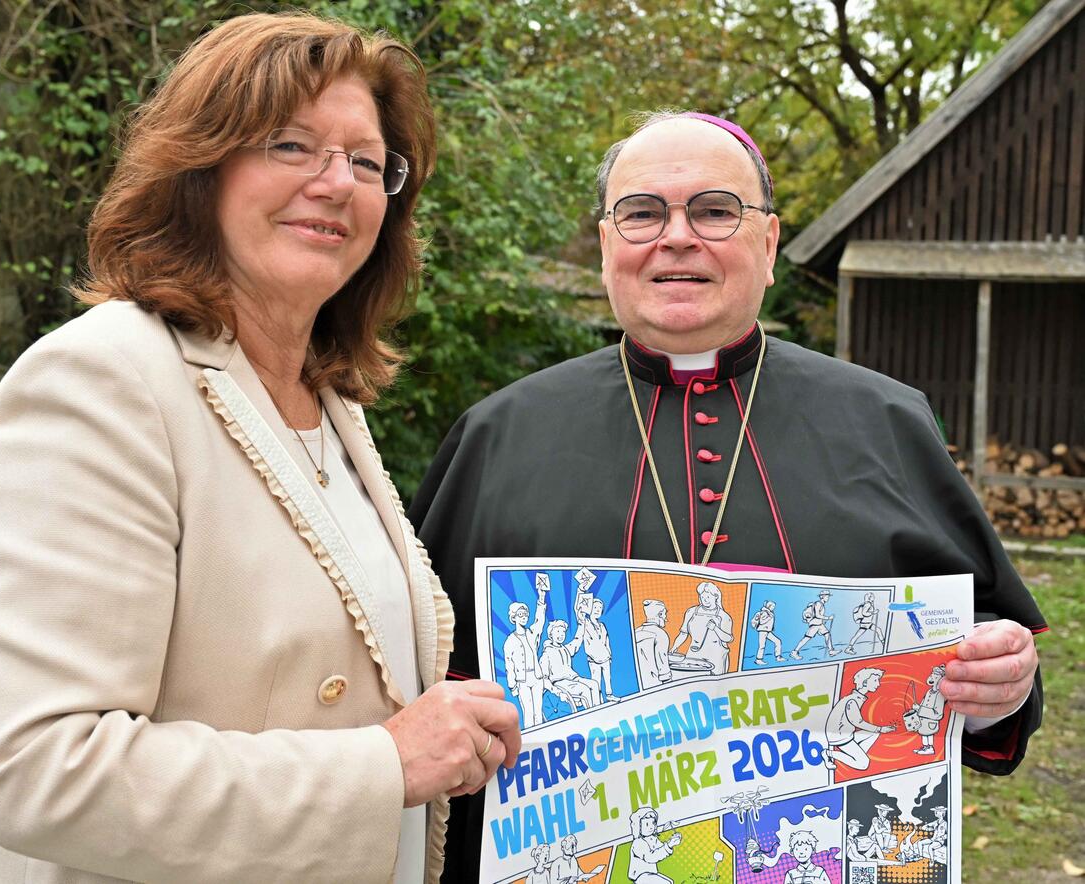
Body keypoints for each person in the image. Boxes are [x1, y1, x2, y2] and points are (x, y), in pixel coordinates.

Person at [0, 13, 522, 884]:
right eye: (291, 145)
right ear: (200, 167)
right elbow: (39, 770)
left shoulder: (326, 400)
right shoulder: (100, 381)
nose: (337, 183)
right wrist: (384, 765)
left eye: (368, 163)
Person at [410, 109, 1045, 881]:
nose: (677, 237)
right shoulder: (498, 432)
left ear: (768, 244)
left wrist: (997, 687)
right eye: (641, 213)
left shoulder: (887, 421)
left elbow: (980, 649)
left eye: (714, 211)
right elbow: (423, 678)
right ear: (608, 245)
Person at [824, 668, 896, 771]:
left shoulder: (856, 697)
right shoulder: (852, 700)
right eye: (875, 680)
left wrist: (878, 730)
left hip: (847, 733)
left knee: (874, 733)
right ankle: (828, 753)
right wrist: (880, 729)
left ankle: (856, 755)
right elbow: (857, 721)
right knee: (864, 764)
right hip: (839, 736)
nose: (878, 684)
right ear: (865, 682)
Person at [504, 589, 549, 727]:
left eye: (525, 615)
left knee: (538, 712)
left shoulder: (532, 633)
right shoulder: (510, 641)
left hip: (537, 677)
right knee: (528, 712)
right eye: (520, 615)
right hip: (522, 681)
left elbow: (540, 620)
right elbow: (509, 665)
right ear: (514, 617)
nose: (524, 617)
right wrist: (512, 686)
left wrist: (541, 597)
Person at [671, 580, 733, 674]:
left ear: (716, 597)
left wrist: (715, 628)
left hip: (716, 655)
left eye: (708, 597)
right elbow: (683, 633)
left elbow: (728, 638)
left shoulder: (723, 616)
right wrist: (674, 647)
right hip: (694, 653)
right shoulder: (691, 612)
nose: (705, 600)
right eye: (702, 597)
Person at [539, 620, 602, 710]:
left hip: (573, 679)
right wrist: (557, 692)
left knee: (594, 684)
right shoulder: (546, 654)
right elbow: (544, 679)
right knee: (584, 689)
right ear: (551, 634)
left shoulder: (565, 649)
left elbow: (577, 641)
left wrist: (581, 624)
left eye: (563, 632)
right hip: (560, 682)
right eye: (558, 631)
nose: (561, 635)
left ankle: (598, 709)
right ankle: (591, 713)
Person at [627, 807, 682, 884]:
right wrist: (668, 845)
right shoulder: (638, 843)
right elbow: (650, 857)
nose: (651, 827)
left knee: (670, 882)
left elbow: (661, 848)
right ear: (638, 827)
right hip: (640, 876)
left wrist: (671, 842)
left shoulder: (653, 839)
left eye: (653, 823)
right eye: (647, 824)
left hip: (651, 873)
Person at [578, 597, 616, 700]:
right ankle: (598, 699)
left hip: (605, 657)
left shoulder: (602, 626)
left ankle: (609, 695)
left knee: (607, 678)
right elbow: (579, 613)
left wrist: (609, 654)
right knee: (596, 680)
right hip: (593, 659)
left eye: (600, 608)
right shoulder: (586, 623)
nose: (597, 610)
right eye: (595, 607)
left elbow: (606, 641)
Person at [635, 599, 673, 688]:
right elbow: (663, 669)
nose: (666, 618)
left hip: (638, 684)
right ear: (660, 614)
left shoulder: (636, 631)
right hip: (654, 685)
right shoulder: (660, 634)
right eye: (665, 614)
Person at [791, 589, 837, 659]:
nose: (828, 598)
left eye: (828, 596)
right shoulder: (818, 603)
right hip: (815, 624)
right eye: (827, 596)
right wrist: (828, 618)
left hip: (819, 624)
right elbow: (817, 615)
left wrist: (824, 620)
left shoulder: (821, 604)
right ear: (822, 596)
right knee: (807, 638)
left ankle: (831, 651)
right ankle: (794, 652)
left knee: (827, 634)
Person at [751, 599, 785, 664]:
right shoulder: (764, 612)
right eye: (773, 606)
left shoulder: (770, 613)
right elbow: (761, 622)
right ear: (769, 606)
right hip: (763, 631)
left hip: (768, 631)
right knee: (762, 646)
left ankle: (778, 657)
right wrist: (769, 618)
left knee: (778, 641)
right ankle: (758, 659)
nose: (774, 608)